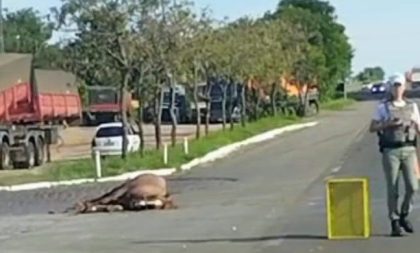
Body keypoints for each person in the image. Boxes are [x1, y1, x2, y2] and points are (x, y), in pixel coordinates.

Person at [370, 73, 420, 237]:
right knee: (393, 188)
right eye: (395, 86)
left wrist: (414, 124)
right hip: (391, 150)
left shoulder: (412, 107)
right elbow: (372, 127)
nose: (397, 89)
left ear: (404, 87)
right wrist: (388, 123)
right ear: (390, 88)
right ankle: (394, 221)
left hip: (409, 150)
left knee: (413, 187)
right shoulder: (383, 107)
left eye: (400, 85)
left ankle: (404, 214)